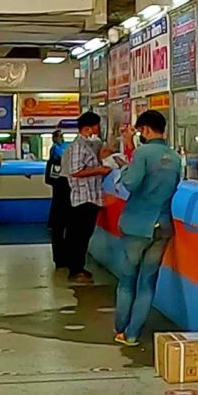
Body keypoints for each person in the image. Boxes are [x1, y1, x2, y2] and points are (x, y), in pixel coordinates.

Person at [113, 110, 182, 346]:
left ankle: (121, 328)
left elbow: (131, 183)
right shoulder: (174, 157)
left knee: (127, 281)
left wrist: (124, 167)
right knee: (147, 284)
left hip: (137, 227)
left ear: (145, 130)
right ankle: (133, 334)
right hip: (162, 227)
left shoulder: (143, 153)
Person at [62, 112, 112, 284]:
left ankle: (78, 267)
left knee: (83, 235)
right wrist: (99, 170)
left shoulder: (89, 145)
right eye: (97, 125)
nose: (99, 129)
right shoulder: (78, 147)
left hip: (91, 197)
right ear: (87, 128)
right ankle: (75, 270)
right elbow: (75, 171)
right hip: (84, 198)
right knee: (79, 236)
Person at [45, 129, 71, 269]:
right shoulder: (61, 148)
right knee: (61, 214)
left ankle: (60, 258)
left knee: (57, 208)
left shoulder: (58, 147)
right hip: (63, 182)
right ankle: (63, 257)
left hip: (58, 181)